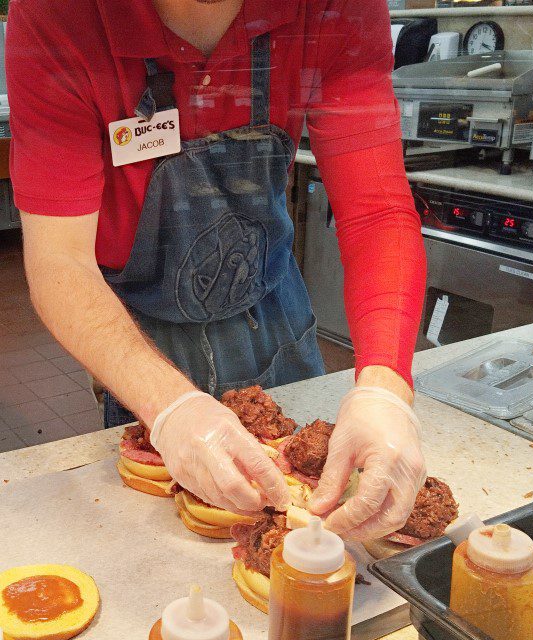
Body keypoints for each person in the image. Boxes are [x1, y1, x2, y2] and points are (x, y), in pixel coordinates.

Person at [6, 0, 426, 540]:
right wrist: (171, 408)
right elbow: (60, 261)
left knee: (308, 521)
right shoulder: (58, 13)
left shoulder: (331, 5)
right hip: (136, 332)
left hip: (271, 303)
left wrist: (386, 387)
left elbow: (376, 213)